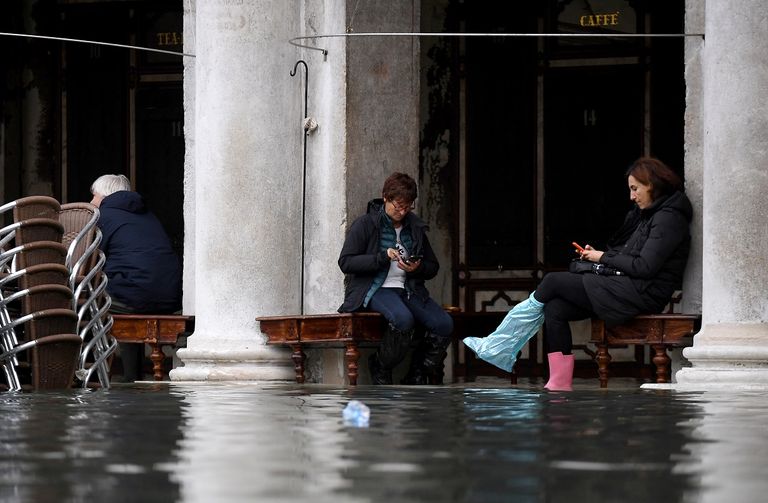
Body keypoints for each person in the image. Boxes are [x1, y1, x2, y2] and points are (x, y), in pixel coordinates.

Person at [463, 157, 692, 391]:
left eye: (635, 189)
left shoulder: (669, 217)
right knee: (555, 308)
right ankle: (559, 382)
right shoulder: (652, 215)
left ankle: (499, 344)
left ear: (652, 184)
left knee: (552, 281)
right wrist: (599, 255)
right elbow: (630, 256)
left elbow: (645, 267)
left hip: (643, 293)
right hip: (629, 287)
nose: (632, 197)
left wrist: (601, 257)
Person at [338, 172, 454, 385]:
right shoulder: (366, 224)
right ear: (385, 197)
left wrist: (416, 268)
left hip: (409, 289)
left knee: (444, 323)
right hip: (376, 288)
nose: (402, 212)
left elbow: (433, 266)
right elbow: (345, 262)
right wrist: (382, 257)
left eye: (407, 206)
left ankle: (417, 373)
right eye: (397, 205)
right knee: (403, 320)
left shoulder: (415, 227)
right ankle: (381, 366)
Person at [90, 174, 182, 381]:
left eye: (94, 195)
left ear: (104, 196)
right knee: (124, 287)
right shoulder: (148, 216)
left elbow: (90, 260)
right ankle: (130, 375)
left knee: (84, 303)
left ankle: (88, 374)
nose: (91, 201)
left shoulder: (104, 216)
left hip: (135, 295)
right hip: (169, 298)